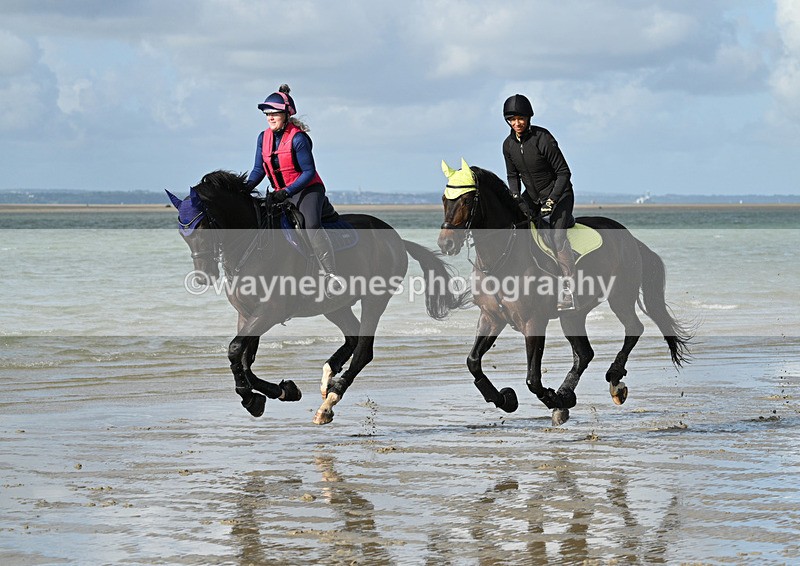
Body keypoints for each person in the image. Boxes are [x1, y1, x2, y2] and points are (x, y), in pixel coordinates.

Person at [245, 84, 344, 295]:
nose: (270, 118)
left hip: (307, 190)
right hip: (282, 192)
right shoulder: (263, 138)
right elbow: (257, 170)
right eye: (267, 114)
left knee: (311, 225)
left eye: (275, 114)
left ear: (286, 115)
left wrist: (287, 192)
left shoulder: (299, 138)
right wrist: (243, 189)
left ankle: (330, 275)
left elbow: (308, 172)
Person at [502, 93, 578, 311]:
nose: (516, 123)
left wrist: (553, 199)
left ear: (529, 118)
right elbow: (512, 176)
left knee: (556, 235)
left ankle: (568, 290)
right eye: (512, 119)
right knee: (515, 226)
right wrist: (515, 197)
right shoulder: (508, 145)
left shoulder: (543, 138)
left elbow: (564, 173)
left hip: (560, 194)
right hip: (533, 197)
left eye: (521, 118)